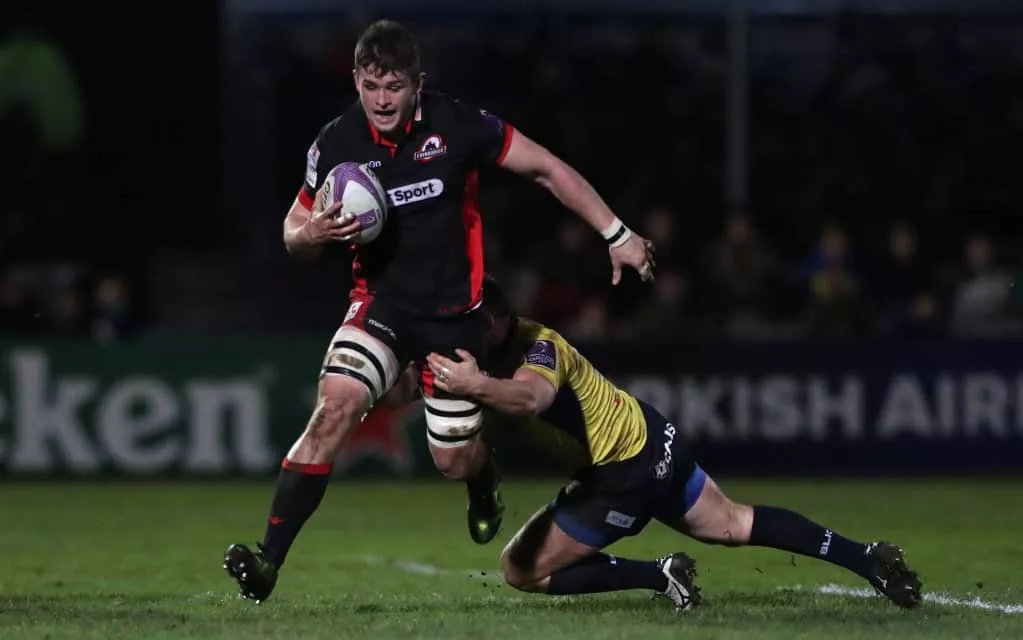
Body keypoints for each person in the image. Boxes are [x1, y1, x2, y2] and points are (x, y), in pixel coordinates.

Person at [223, 20, 655, 603]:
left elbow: (546, 168)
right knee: (334, 408)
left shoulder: (458, 125)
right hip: (380, 308)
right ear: (355, 80)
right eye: (371, 86)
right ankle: (267, 562)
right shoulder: (336, 142)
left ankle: (483, 476)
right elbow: (292, 231)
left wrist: (616, 233)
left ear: (417, 84)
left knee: (452, 459)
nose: (381, 100)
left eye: (394, 87)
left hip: (455, 318)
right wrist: (312, 234)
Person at [415, 278, 922, 610]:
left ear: (494, 320)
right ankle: (866, 558)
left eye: (473, 320)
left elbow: (531, 397)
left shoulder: (540, 344)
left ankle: (660, 576)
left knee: (520, 569)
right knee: (733, 522)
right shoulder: (478, 353)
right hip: (650, 439)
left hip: (623, 471)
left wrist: (473, 384)